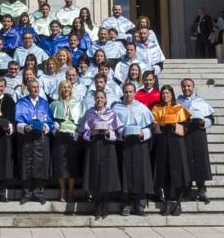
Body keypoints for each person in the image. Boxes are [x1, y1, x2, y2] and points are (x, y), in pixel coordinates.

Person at [80, 90, 123, 219]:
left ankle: (105, 207)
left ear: (105, 100)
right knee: (95, 176)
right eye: (97, 98)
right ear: (94, 99)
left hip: (107, 147)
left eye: (101, 98)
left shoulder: (112, 114)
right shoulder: (89, 113)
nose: (99, 100)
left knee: (106, 177)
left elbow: (118, 133)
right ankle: (97, 207)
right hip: (93, 147)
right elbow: (84, 133)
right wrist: (91, 133)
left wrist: (108, 132)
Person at [113, 83, 155, 216]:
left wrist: (144, 133)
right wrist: (121, 133)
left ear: (135, 93)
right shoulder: (117, 108)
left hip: (139, 145)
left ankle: (140, 204)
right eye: (126, 92)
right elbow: (113, 126)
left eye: (131, 92)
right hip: (124, 145)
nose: (128, 94)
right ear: (123, 93)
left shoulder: (142, 108)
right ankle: (125, 204)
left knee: (140, 173)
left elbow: (150, 126)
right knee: (124, 173)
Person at [151, 85, 191, 216]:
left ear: (172, 95)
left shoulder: (179, 108)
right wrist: (160, 125)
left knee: (178, 172)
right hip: (162, 143)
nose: (165, 96)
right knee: (165, 172)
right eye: (163, 93)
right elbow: (153, 127)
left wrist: (174, 124)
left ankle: (178, 202)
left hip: (176, 144)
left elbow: (185, 128)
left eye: (167, 93)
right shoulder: (157, 109)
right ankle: (167, 201)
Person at [15, 79, 54, 204]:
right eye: (33, 87)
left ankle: (39, 192)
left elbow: (50, 122)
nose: (36, 89)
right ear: (28, 88)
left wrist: (45, 127)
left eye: (37, 87)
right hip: (27, 138)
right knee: (27, 164)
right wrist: (24, 127)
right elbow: (17, 122)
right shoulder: (21, 103)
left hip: (40, 139)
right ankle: (27, 193)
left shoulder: (44, 104)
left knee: (40, 165)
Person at [177, 78, 215, 204]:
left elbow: (211, 119)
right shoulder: (178, 102)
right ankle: (187, 189)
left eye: (188, 86)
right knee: (186, 160)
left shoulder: (201, 101)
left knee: (200, 159)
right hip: (185, 134)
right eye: (184, 86)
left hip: (198, 134)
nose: (186, 88)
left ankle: (201, 189)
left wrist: (204, 122)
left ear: (193, 87)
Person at [50, 80, 85, 202]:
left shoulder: (78, 104)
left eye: (68, 87)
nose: (66, 89)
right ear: (60, 89)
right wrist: (55, 127)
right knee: (60, 165)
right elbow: (51, 120)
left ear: (71, 89)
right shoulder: (54, 104)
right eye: (63, 87)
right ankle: (62, 191)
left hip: (72, 138)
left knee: (72, 165)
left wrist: (76, 131)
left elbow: (80, 121)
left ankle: (70, 191)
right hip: (60, 137)